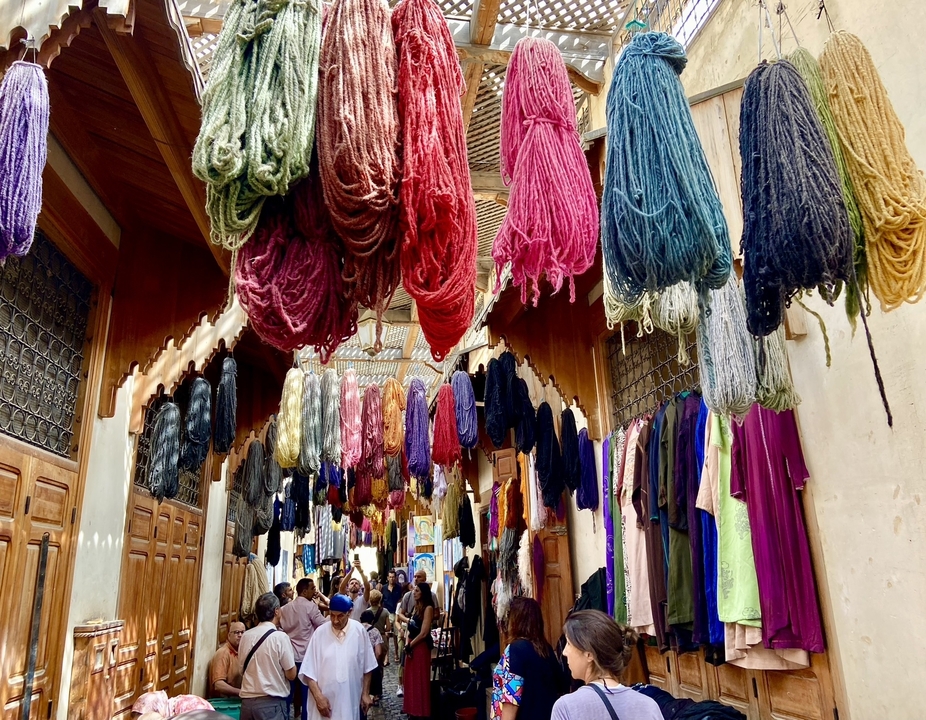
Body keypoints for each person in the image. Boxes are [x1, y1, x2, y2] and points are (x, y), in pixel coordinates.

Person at [551, 610, 662, 720]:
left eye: (569, 643)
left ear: (589, 654)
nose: (564, 652)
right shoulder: (648, 706)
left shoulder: (566, 707)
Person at [299, 594, 378, 720]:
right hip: (324, 706)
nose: (335, 620)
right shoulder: (319, 633)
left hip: (350, 701)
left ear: (349, 613)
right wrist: (318, 697)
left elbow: (368, 666)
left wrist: (365, 693)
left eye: (340, 616)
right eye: (332, 615)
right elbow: (308, 671)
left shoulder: (359, 631)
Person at [491, 597, 566, 720]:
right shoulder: (546, 649)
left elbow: (511, 698)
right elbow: (560, 685)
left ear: (515, 620)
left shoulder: (515, 650)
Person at [238, 593, 297, 720]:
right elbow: (291, 674)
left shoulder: (246, 636)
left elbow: (241, 670)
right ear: (276, 611)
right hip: (271, 705)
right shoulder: (280, 637)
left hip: (247, 704)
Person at [280, 578, 327, 720]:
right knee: (306, 695)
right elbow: (322, 625)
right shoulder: (310, 607)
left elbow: (279, 628)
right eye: (313, 588)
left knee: (288, 693)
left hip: (290, 657)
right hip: (306, 657)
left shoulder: (284, 609)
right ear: (304, 591)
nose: (315, 591)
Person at [403, 582, 435, 720]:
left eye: (417, 590)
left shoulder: (428, 608)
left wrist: (410, 645)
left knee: (419, 679)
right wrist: (407, 644)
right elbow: (409, 628)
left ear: (423, 593)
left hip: (420, 647)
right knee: (411, 680)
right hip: (411, 645)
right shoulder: (416, 607)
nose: (414, 593)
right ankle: (412, 709)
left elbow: (424, 633)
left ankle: (421, 711)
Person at [394, 569, 427, 698]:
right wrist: (408, 621)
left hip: (418, 637)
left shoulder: (430, 598)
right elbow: (400, 615)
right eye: (415, 576)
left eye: (419, 577)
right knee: (403, 660)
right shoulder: (408, 596)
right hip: (407, 632)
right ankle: (401, 685)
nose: (416, 578)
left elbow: (435, 614)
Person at [210, 622, 245, 698]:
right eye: (237, 632)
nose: (240, 635)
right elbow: (218, 685)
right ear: (229, 635)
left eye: (242, 632)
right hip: (224, 701)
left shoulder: (241, 652)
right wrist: (240, 692)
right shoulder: (223, 653)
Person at [360, 609, 386, 704]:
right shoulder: (375, 631)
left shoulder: (356, 629)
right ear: (372, 620)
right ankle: (374, 697)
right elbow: (378, 652)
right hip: (371, 663)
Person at [381, 570, 404, 664]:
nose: (392, 579)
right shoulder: (383, 588)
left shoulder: (399, 588)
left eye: (393, 577)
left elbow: (401, 599)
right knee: (386, 635)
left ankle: (396, 653)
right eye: (390, 577)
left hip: (396, 613)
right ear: (387, 578)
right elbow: (381, 600)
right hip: (387, 613)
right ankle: (386, 657)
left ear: (396, 578)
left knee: (395, 635)